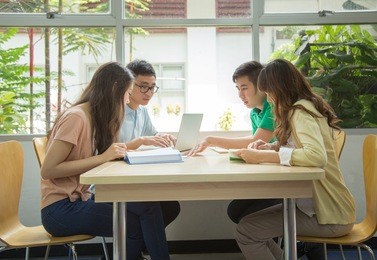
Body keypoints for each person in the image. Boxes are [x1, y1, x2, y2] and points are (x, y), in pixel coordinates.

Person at [40, 61, 170, 260]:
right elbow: (48, 170)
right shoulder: (77, 117)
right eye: (127, 93)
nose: (128, 100)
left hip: (79, 199)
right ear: (113, 90)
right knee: (133, 226)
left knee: (148, 208)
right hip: (60, 209)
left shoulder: (94, 117)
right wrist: (102, 157)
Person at [234, 59, 356, 260]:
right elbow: (298, 147)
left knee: (247, 231)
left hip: (330, 216)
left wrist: (267, 156)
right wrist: (272, 147)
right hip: (316, 209)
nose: (270, 100)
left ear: (279, 89)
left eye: (270, 93)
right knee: (247, 225)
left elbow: (316, 156)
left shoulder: (300, 111)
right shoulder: (300, 108)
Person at [189, 61, 280, 223]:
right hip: (268, 175)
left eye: (244, 88)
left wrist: (211, 140)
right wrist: (211, 141)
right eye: (238, 89)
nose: (240, 95)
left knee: (242, 215)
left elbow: (254, 140)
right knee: (235, 211)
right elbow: (254, 143)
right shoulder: (255, 112)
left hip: (280, 182)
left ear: (261, 86)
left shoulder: (273, 106)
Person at [119, 59, 181, 252]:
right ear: (129, 85)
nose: (148, 93)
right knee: (151, 208)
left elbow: (151, 134)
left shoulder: (142, 112)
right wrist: (142, 142)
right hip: (113, 182)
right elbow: (110, 150)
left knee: (171, 207)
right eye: (143, 87)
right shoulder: (116, 112)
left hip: (132, 178)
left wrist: (160, 137)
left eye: (152, 87)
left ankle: (134, 251)